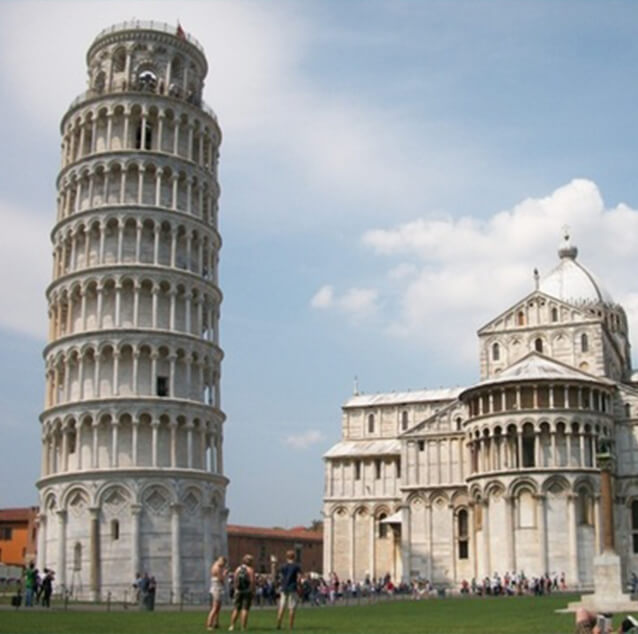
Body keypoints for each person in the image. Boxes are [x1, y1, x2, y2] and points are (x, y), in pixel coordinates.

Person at [276, 550, 302, 630]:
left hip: (284, 587)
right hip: (293, 587)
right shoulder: (296, 566)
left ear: (286, 557)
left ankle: (278, 624)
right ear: (294, 556)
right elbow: (299, 578)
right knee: (291, 607)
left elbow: (279, 577)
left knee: (282, 606)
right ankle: (290, 626)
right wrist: (299, 586)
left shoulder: (283, 566)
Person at [229, 555, 255, 632]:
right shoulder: (250, 570)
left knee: (236, 609)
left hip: (238, 591)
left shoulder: (238, 569)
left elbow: (235, 580)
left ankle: (232, 626)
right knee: (245, 609)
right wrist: (252, 590)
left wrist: (235, 589)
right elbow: (252, 581)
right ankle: (243, 627)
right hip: (247, 591)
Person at [206, 556, 228, 630]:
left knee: (218, 607)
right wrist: (224, 574)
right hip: (217, 588)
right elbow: (221, 579)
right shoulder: (217, 568)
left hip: (217, 587)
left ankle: (216, 623)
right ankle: (209, 625)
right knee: (215, 607)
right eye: (223, 563)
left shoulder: (216, 565)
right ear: (220, 561)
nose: (224, 565)